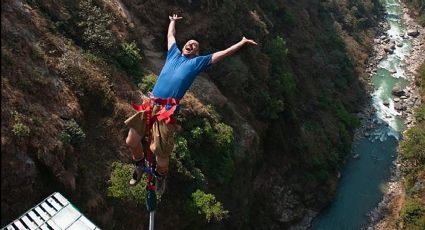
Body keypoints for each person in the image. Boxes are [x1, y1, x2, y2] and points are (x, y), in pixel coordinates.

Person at [124, 14, 257, 194]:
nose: (191, 44)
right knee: (131, 140)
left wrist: (241, 43)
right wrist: (172, 22)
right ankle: (139, 164)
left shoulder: (197, 63)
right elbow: (170, 36)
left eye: (195, 45)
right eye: (190, 42)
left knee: (161, 154)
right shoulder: (174, 54)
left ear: (196, 53)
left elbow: (223, 54)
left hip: (167, 110)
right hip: (150, 102)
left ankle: (160, 176)